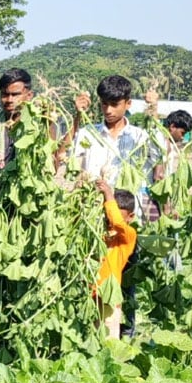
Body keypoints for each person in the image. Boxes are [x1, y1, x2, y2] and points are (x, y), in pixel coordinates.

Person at [70, 75, 161, 337]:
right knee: (89, 278)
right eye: (104, 104)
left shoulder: (141, 135)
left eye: (114, 104)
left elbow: (160, 156)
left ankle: (125, 335)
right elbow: (73, 164)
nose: (108, 110)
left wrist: (153, 112)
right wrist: (78, 116)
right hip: (91, 218)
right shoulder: (88, 132)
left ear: (128, 103)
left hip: (124, 220)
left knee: (124, 279)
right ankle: (89, 332)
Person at [93, 179, 137, 340]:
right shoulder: (100, 230)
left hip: (109, 296)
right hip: (91, 293)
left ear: (130, 217)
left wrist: (109, 195)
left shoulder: (128, 234)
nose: (110, 219)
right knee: (90, 336)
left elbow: (117, 222)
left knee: (108, 339)